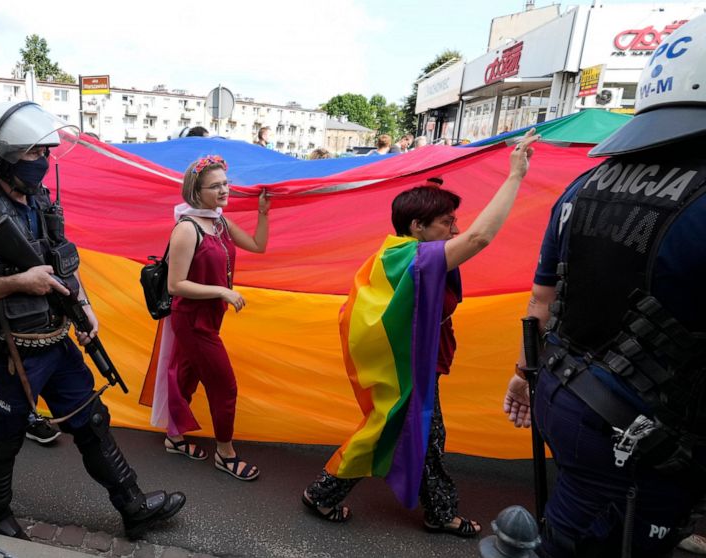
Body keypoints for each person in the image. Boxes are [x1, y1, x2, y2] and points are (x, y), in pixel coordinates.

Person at [0, 100, 185, 540]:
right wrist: (18, 283)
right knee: (2, 437)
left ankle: (133, 506)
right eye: (31, 153)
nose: (42, 162)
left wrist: (83, 306)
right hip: (11, 353)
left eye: (45, 152)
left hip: (58, 340)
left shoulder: (39, 199)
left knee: (92, 421)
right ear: (0, 156)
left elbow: (61, 260)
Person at [503, 15, 706, 557]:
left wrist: (523, 376)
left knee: (570, 526)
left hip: (564, 395)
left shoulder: (585, 184)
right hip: (644, 437)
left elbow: (541, 301)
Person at [302, 131, 538, 535]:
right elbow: (480, 238)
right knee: (394, 431)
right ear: (417, 226)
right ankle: (329, 494)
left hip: (418, 366)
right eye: (447, 222)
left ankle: (433, 509)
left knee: (421, 434)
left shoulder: (401, 253)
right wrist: (515, 175)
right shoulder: (414, 259)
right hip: (408, 372)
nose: (455, 228)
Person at [150, 155, 269, 481]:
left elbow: (258, 245)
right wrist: (222, 291)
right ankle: (225, 454)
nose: (223, 190)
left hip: (210, 318)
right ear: (196, 191)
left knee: (186, 377)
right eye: (215, 186)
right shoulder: (187, 229)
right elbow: (176, 285)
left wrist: (262, 212)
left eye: (225, 184)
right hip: (192, 319)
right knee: (224, 387)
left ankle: (174, 438)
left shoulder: (219, 222)